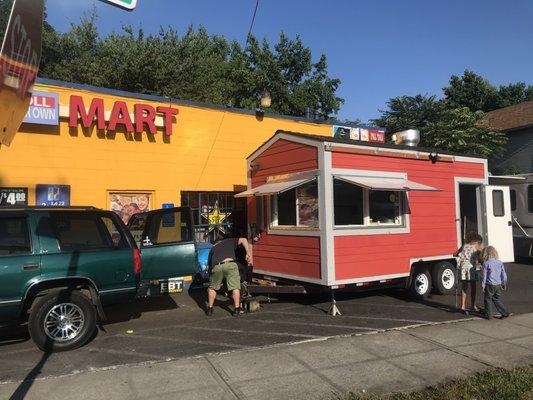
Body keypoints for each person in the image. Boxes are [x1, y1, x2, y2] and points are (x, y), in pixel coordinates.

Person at [206, 233, 251, 317]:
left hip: (217, 266)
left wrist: (212, 277)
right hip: (230, 264)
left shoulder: (212, 249)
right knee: (235, 287)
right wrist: (248, 252)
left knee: (213, 288)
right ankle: (237, 309)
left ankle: (210, 309)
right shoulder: (229, 241)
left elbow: (208, 267)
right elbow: (244, 239)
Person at [456, 232, 483, 314]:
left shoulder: (464, 245)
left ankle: (462, 305)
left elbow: (456, 253)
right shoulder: (477, 246)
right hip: (471, 268)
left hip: (463, 268)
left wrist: (456, 255)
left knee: (464, 286)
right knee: (473, 286)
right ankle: (472, 305)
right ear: (477, 240)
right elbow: (481, 257)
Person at [481, 246, 511, 320]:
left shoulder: (486, 263)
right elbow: (503, 274)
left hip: (490, 284)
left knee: (487, 299)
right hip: (498, 284)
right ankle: (505, 312)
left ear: (485, 254)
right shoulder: (499, 262)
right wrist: (504, 283)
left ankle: (489, 315)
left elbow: (484, 276)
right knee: (496, 299)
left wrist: (483, 285)